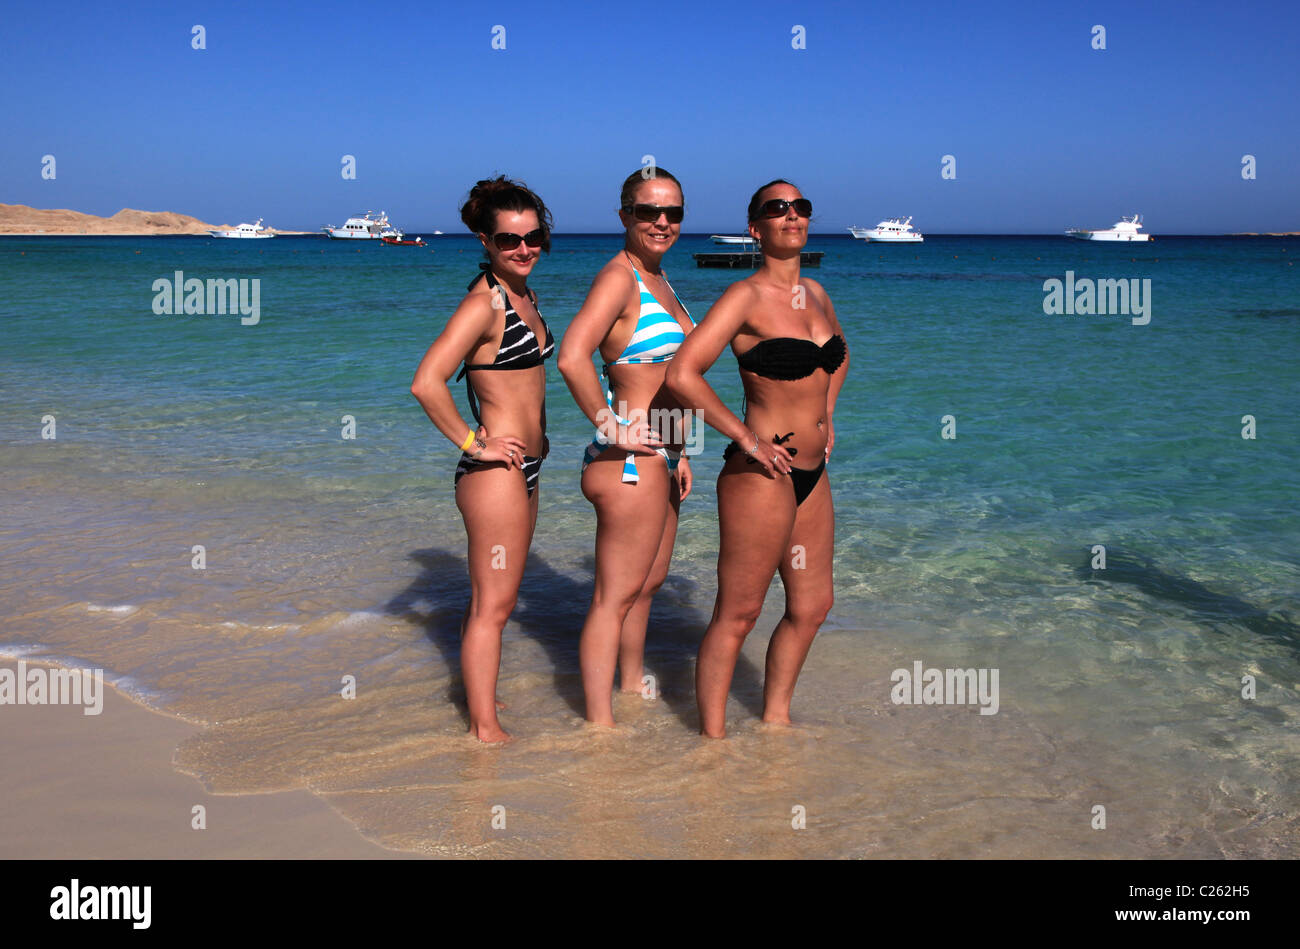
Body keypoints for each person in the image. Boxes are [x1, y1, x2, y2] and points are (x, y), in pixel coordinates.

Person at [666, 179, 848, 738]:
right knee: (739, 614)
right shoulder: (744, 297)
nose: (792, 216)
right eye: (778, 209)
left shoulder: (816, 294)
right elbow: (682, 373)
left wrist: (828, 416)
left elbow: (837, 357)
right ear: (756, 228)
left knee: (813, 606)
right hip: (762, 473)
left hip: (813, 474)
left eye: (801, 208)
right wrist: (745, 437)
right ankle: (712, 745)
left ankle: (775, 723)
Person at [409, 176, 555, 743]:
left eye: (533, 236)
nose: (524, 249)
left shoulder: (524, 294)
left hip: (525, 469)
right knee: (494, 605)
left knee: (499, 599)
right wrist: (476, 443)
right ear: (484, 241)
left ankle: (480, 699)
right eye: (509, 239)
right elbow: (427, 383)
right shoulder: (484, 303)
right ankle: (484, 731)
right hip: (494, 473)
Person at [558, 168, 696, 726]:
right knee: (613, 597)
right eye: (648, 211)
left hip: (661, 458)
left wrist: (681, 451)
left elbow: (670, 377)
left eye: (673, 212)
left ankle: (630, 682)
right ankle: (599, 727)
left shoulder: (660, 278)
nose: (662, 222)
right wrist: (608, 424)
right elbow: (572, 356)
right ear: (624, 217)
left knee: (647, 585)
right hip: (629, 463)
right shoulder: (620, 278)